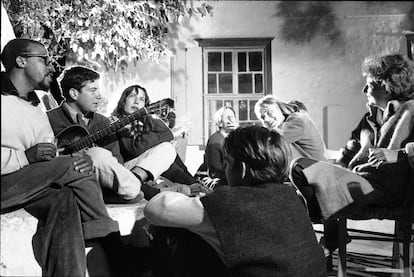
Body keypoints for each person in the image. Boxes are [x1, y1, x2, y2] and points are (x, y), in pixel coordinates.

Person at [1, 38, 121, 276]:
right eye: (44, 60)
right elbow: (29, 157)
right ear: (21, 61)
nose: (50, 67)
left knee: (64, 199)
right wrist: (25, 157)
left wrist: (57, 157)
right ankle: (113, 246)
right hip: (6, 181)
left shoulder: (36, 107)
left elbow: (45, 153)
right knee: (73, 167)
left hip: (27, 182)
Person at [144, 126, 327, 277]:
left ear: (242, 169)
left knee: (177, 235)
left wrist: (185, 193)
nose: (225, 168)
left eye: (228, 163)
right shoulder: (293, 197)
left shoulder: (227, 204)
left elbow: (154, 209)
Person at [290, 53, 414, 254]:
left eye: (370, 84)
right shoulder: (370, 119)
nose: (364, 90)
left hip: (384, 191)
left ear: (386, 84)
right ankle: (328, 227)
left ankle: (328, 232)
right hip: (359, 183)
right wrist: (335, 169)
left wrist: (399, 154)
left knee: (299, 174)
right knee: (299, 176)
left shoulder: (411, 109)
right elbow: (347, 154)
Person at [47, 66, 188, 201]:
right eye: (93, 90)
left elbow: (117, 162)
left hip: (109, 176)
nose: (99, 96)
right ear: (74, 93)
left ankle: (134, 186)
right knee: (96, 154)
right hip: (69, 178)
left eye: (99, 90)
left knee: (167, 149)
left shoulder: (102, 122)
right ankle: (142, 191)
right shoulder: (49, 119)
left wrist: (148, 117)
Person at [111, 84, 201, 188]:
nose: (136, 101)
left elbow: (164, 133)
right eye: (132, 96)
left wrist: (149, 117)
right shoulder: (115, 122)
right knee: (165, 148)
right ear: (123, 100)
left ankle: (194, 185)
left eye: (141, 99)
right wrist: (170, 134)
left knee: (169, 148)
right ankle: (193, 185)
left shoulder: (143, 122)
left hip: (142, 168)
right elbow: (135, 149)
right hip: (122, 171)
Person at [255, 95, 327, 162]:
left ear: (279, 107)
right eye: (263, 118)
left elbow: (271, 141)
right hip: (307, 171)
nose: (267, 119)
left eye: (269, 111)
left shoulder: (298, 120)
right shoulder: (289, 122)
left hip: (316, 172)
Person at [196, 106, 238, 189]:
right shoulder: (215, 140)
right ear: (219, 123)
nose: (231, 120)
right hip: (215, 179)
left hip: (229, 177)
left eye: (232, 117)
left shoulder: (236, 138)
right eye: (227, 117)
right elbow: (215, 171)